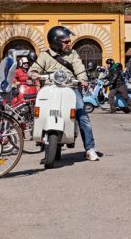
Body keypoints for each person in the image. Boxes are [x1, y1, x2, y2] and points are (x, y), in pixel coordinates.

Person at [27, 26, 99, 161]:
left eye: (68, 41)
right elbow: (33, 70)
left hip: (71, 88)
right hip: (50, 89)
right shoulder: (45, 55)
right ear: (56, 41)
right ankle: (42, 141)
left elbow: (79, 67)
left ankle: (89, 149)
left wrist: (83, 79)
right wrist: (34, 74)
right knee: (39, 112)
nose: (69, 44)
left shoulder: (73, 54)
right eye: (66, 41)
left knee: (82, 116)